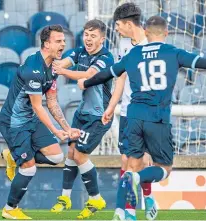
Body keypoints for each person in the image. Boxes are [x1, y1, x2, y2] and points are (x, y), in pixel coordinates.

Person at [78, 16, 206, 221]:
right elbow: (201, 63)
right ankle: (136, 180)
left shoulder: (133, 53)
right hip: (157, 117)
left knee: (131, 163)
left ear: (145, 32)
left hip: (134, 117)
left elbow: (107, 74)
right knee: (163, 168)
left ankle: (122, 212)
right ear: (166, 33)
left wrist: (87, 82)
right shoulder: (173, 52)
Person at [0, 25, 80, 220]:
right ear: (46, 43)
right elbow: (37, 106)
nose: (63, 44)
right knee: (29, 167)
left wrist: (67, 129)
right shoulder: (33, 68)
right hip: (14, 122)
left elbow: (51, 101)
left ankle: (13, 156)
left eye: (63, 40)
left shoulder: (53, 68)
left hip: (30, 120)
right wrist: (57, 131)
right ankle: (10, 208)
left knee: (56, 157)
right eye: (58, 41)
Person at [50, 19, 114, 219]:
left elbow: (88, 74)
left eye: (93, 36)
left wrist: (62, 71)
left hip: (99, 116)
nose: (88, 39)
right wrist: (53, 61)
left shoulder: (106, 57)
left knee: (79, 155)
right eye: (86, 34)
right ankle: (65, 198)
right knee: (70, 152)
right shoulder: (80, 51)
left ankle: (95, 198)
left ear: (102, 39)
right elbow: (64, 62)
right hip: (82, 113)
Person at [101, 3, 156, 220]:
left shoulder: (153, 45)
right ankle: (129, 208)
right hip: (126, 112)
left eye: (117, 25)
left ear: (128, 23)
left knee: (137, 161)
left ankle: (131, 208)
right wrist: (112, 106)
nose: (116, 29)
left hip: (145, 111)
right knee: (126, 161)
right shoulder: (125, 44)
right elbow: (121, 79)